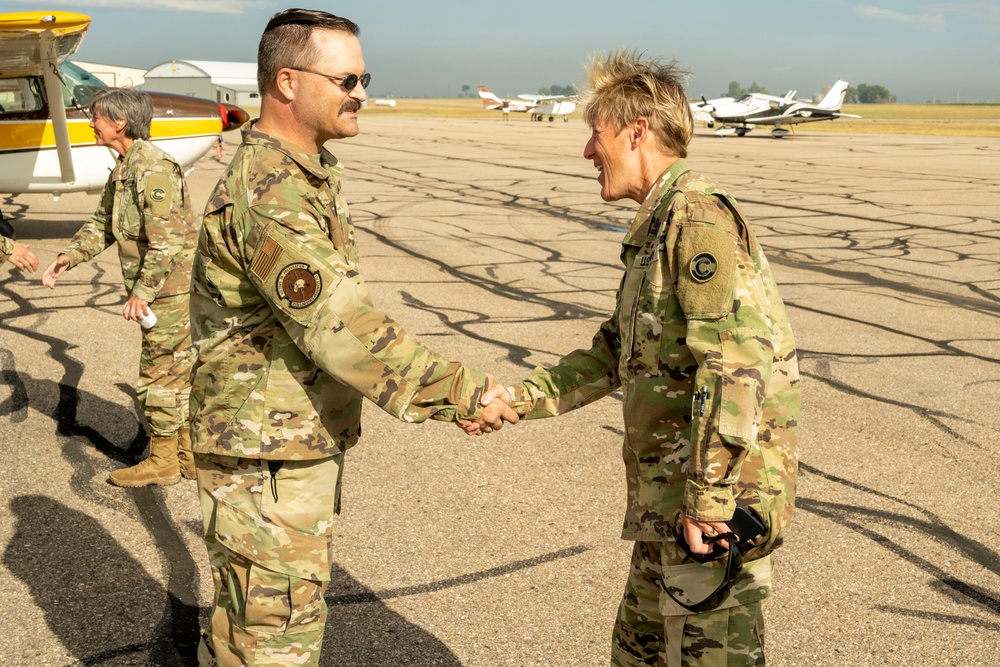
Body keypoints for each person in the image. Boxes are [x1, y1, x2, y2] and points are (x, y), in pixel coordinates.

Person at [188, 9, 516, 666]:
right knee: (273, 644)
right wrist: (460, 392)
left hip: (276, 446)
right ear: (286, 82)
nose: (360, 91)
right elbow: (341, 329)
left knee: (245, 630)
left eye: (364, 77)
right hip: (265, 457)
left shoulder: (304, 171)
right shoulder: (271, 189)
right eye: (345, 79)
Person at [477, 51, 800, 666]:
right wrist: (514, 399)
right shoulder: (656, 227)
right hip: (668, 511)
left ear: (635, 132)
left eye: (593, 135)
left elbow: (736, 368)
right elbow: (610, 355)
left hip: (711, 519)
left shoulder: (697, 219)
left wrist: (708, 502)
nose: (587, 152)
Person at [41, 88, 199, 487]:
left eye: (95, 117)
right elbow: (101, 224)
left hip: (172, 291)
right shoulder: (125, 168)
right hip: (161, 289)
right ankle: (185, 455)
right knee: (175, 372)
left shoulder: (153, 170)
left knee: (160, 374)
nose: (90, 124)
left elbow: (167, 241)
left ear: (119, 123)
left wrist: (143, 292)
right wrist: (68, 258)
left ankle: (165, 462)